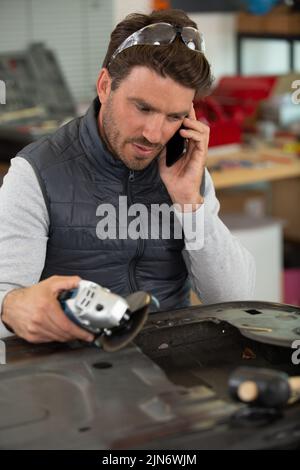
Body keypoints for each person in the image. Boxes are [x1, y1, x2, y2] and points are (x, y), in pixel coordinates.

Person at [0, 9, 255, 343]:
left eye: (174, 116)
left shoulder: (185, 169)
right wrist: (13, 306)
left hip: (171, 362)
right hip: (73, 368)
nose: (154, 134)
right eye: (143, 108)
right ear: (105, 85)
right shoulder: (35, 173)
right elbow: (7, 300)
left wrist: (191, 203)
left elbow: (233, 298)